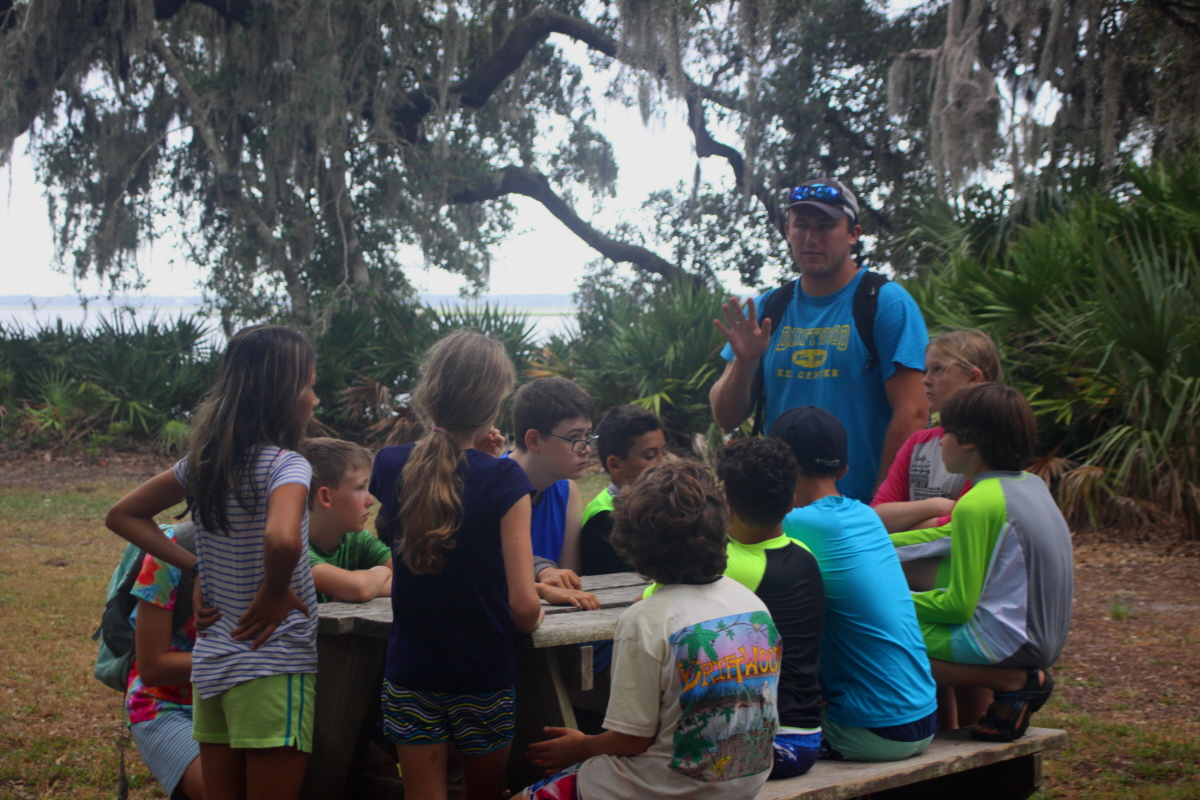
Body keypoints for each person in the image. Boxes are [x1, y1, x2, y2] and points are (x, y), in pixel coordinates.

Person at [106, 324, 320, 800]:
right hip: (273, 665)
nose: (315, 399)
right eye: (310, 384)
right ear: (284, 393)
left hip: (214, 671)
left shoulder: (205, 462)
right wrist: (274, 590)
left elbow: (123, 514)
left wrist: (195, 567)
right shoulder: (289, 465)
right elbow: (282, 539)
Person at [522, 461, 780, 800]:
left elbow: (632, 740)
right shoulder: (753, 606)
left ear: (632, 546)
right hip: (744, 780)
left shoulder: (646, 619)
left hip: (665, 787)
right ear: (721, 527)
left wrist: (581, 747)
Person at [370, 331, 545, 800]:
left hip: (409, 674)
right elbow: (524, 609)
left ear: (430, 394)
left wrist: (478, 461)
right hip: (481, 677)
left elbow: (441, 485)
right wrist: (490, 464)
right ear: (493, 404)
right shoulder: (506, 478)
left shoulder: (388, 464)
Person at [710, 177, 929, 501]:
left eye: (826, 226)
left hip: (857, 513)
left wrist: (880, 508)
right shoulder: (770, 308)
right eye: (802, 225)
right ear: (788, 231)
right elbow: (725, 417)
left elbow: (914, 412)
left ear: (853, 233)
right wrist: (745, 362)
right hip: (778, 517)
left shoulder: (885, 303)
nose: (811, 238)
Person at [891, 383, 1073, 741]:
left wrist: (888, 604)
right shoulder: (1029, 486)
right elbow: (940, 539)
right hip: (1042, 635)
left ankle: (1012, 682)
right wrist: (863, 546)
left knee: (876, 636)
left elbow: (957, 607)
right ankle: (1011, 691)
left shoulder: (977, 502)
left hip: (1008, 641)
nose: (939, 440)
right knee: (903, 585)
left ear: (970, 441)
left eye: (946, 432)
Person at [772, 405, 939, 762]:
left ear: (777, 471)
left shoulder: (795, 526)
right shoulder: (864, 515)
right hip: (922, 717)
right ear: (845, 468)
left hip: (870, 730)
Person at [717, 437, 825, 779]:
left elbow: (649, 605)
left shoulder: (733, 567)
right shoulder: (804, 553)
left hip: (773, 742)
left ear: (724, 500)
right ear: (792, 500)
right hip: (807, 735)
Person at [872, 329, 1004, 535]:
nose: (925, 380)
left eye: (938, 369)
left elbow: (962, 524)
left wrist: (901, 524)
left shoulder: (993, 443)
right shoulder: (918, 442)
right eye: (926, 370)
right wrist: (936, 506)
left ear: (973, 377)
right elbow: (877, 516)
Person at [505, 377, 600, 609]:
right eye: (574, 438)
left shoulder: (567, 492)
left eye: (587, 436)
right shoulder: (490, 485)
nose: (585, 449)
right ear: (534, 440)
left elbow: (570, 582)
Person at [127, 522, 205, 800]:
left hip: (244, 701)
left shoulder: (279, 547)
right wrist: (242, 659)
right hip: (168, 705)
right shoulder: (172, 550)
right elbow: (153, 668)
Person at [579, 404, 666, 576]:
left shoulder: (657, 502)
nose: (662, 463)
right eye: (650, 456)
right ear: (615, 464)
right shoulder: (602, 520)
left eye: (664, 452)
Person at [303, 437, 393, 603]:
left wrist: (369, 584)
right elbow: (359, 588)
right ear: (325, 497)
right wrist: (381, 571)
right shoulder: (296, 549)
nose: (371, 501)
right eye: (360, 487)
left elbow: (405, 579)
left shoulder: (356, 539)